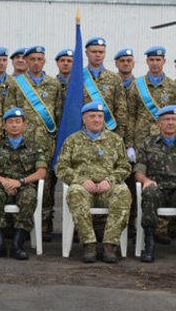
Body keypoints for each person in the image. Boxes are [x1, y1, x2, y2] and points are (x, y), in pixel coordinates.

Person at [56, 101, 132, 263]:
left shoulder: (115, 140)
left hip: (107, 189)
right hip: (84, 190)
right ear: (84, 119)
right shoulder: (73, 140)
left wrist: (110, 180)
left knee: (123, 192)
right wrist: (80, 180)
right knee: (75, 191)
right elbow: (61, 167)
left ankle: (109, 245)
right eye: (92, 116)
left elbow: (125, 167)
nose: (97, 120)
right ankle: (89, 244)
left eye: (100, 116)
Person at [7, 45, 62, 244]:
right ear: (26, 61)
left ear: (44, 61)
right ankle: (18, 225)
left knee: (46, 186)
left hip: (47, 143)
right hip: (22, 143)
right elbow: (9, 113)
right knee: (19, 182)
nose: (36, 62)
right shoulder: (17, 84)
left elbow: (58, 114)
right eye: (32, 59)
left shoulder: (53, 85)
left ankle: (44, 225)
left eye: (40, 59)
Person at [0, 107, 48, 261]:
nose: (14, 125)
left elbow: (41, 172)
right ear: (4, 126)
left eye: (18, 122)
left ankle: (18, 244)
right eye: (10, 122)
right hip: (1, 186)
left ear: (24, 125)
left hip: (24, 185)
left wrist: (20, 182)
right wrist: (3, 181)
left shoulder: (34, 147)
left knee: (30, 196)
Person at [134, 105, 176, 263]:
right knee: (149, 192)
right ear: (159, 123)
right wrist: (146, 181)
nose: (170, 123)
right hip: (158, 189)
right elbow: (138, 171)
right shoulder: (148, 144)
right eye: (166, 119)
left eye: (174, 119)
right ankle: (149, 244)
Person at [125, 46, 176, 149]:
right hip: (141, 140)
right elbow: (131, 116)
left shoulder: (174, 87)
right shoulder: (136, 85)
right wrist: (129, 145)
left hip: (166, 141)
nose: (155, 63)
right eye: (152, 60)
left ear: (164, 61)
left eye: (158, 60)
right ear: (147, 61)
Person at [79, 37, 130, 139]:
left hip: (109, 135)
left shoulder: (114, 79)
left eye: (101, 52)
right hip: (82, 135)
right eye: (94, 52)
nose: (98, 55)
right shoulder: (77, 77)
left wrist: (118, 137)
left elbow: (121, 110)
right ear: (86, 53)